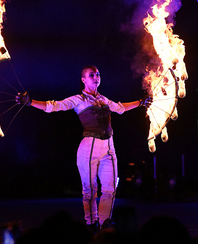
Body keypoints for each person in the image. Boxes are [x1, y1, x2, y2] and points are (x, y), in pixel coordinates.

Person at [16, 65, 152, 233]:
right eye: (92, 75)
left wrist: (141, 102)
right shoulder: (79, 100)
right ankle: (91, 223)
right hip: (89, 148)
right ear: (83, 80)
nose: (96, 77)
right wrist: (30, 102)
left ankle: (104, 223)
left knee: (110, 188)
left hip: (109, 148)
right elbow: (54, 106)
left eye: (98, 74)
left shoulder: (104, 99)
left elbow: (121, 108)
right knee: (90, 189)